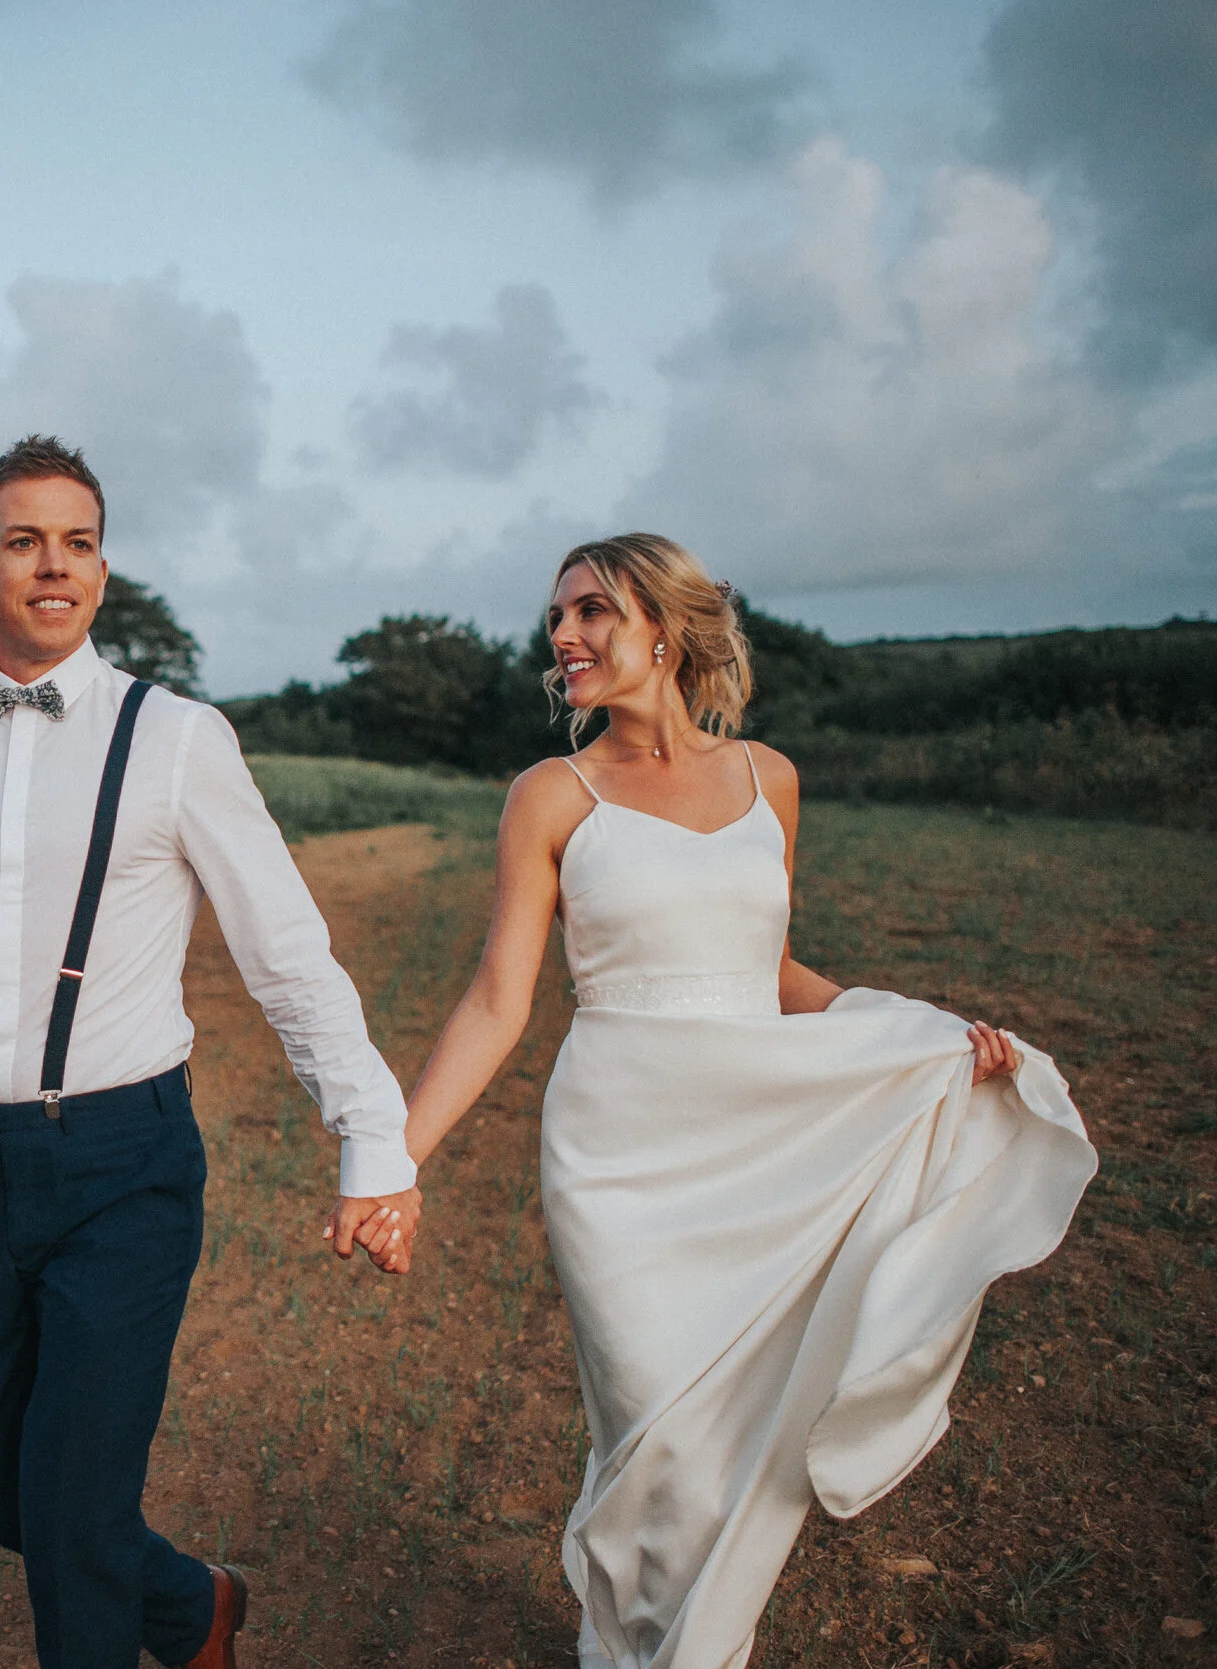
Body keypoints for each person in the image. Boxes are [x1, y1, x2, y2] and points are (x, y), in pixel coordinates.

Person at [387, 534, 1097, 1669]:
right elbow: (494, 1000)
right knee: (652, 1428)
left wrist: (919, 1036)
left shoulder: (771, 778)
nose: (561, 637)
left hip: (756, 1134)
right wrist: (394, 1156)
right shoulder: (549, 796)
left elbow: (766, 970)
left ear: (664, 630)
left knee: (741, 1437)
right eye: (557, 617)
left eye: (590, 613)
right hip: (618, 1157)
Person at [0, 434, 422, 1669]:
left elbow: (285, 951)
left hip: (124, 1160)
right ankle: (192, 1605)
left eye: (79, 543)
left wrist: (371, 1135)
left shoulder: (178, 737)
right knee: (12, 1504)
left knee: (76, 1515)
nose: (54, 565)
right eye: (24, 541)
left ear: (103, 569)